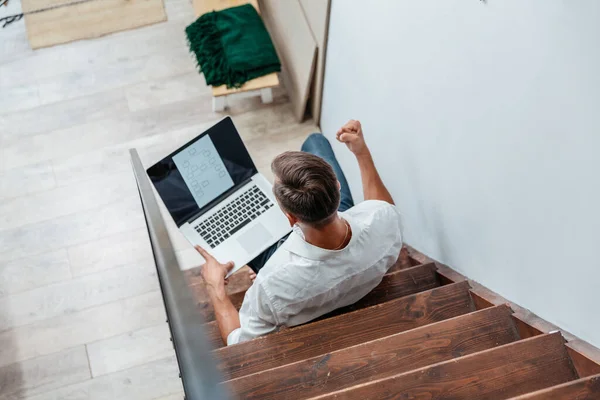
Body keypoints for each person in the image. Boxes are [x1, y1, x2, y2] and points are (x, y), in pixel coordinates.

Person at [195, 120, 403, 345]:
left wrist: (215, 287)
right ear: (337, 186)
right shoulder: (383, 219)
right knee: (315, 141)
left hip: (295, 273)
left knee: (227, 209)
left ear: (290, 219)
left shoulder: (271, 285)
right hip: (329, 246)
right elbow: (381, 206)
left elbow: (238, 343)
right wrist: (361, 152)